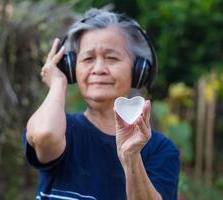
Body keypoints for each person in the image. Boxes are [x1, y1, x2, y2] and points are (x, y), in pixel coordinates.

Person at [23, 8, 180, 200]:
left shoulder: (160, 149)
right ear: (71, 68)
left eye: (112, 58)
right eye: (88, 58)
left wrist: (131, 157)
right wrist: (58, 83)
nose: (98, 69)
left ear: (139, 70)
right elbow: (44, 135)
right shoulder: (62, 129)